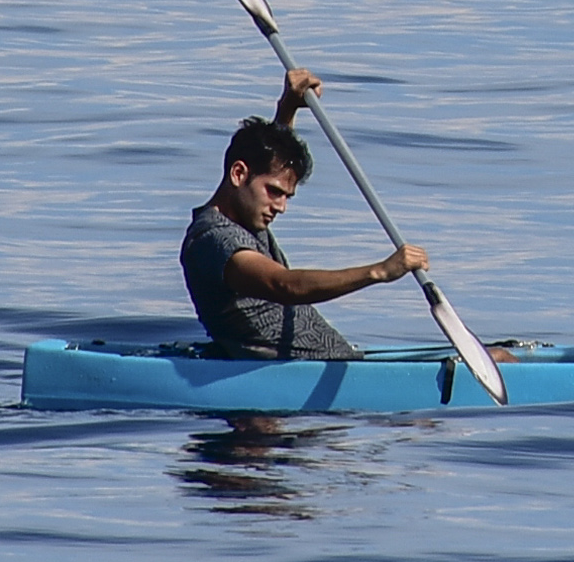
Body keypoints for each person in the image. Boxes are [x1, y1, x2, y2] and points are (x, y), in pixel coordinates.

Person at [184, 67, 430, 361]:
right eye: (274, 192)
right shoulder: (213, 240)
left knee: (501, 357)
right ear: (238, 174)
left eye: (287, 196)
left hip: (337, 362)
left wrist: (287, 106)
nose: (281, 207)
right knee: (498, 361)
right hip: (292, 377)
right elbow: (284, 285)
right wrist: (378, 272)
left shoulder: (246, 215)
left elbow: (270, 163)